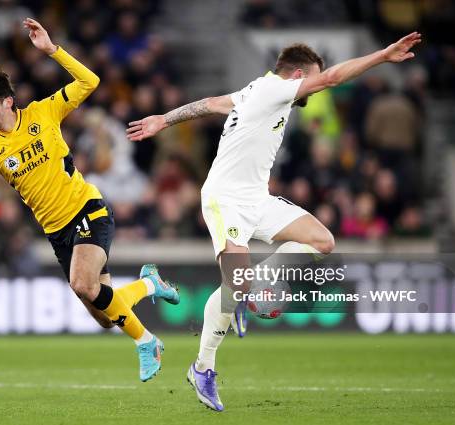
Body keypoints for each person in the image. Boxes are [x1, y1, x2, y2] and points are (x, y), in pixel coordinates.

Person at [127, 32, 421, 410]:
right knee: (236, 284)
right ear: (297, 74)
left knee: (322, 241)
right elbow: (332, 79)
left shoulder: (256, 89)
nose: (312, 90)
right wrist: (382, 55)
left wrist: (164, 119)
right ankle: (203, 367)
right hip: (225, 199)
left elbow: (212, 103)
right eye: (308, 81)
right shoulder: (274, 90)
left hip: (256, 199)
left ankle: (258, 285)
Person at [0, 18, 179, 382]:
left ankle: (147, 342)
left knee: (82, 285)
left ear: (7, 101)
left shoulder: (43, 112)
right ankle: (150, 284)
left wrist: (52, 51)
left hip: (87, 209)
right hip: (57, 232)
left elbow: (90, 82)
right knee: (103, 316)